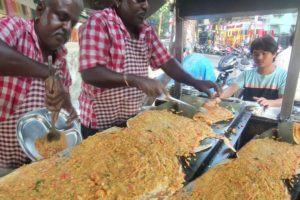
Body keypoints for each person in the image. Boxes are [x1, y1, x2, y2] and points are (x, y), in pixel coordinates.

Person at [79, 0, 220, 138]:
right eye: (139, 0)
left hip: (130, 119)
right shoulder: (99, 22)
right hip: (99, 123)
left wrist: (195, 82)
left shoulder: (146, 30)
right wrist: (134, 80)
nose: (146, 5)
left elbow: (166, 61)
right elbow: (90, 72)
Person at [0, 0, 83, 175]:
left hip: (41, 167)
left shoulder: (61, 59)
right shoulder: (16, 29)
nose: (67, 27)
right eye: (61, 17)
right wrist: (47, 73)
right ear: (40, 10)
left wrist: (67, 105)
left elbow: (63, 102)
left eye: (73, 23)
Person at [220, 35, 287, 108]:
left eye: (264, 53)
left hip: (270, 117)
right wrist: (218, 97)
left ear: (274, 54)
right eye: (256, 53)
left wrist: (271, 102)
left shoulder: (283, 75)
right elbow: (231, 89)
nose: (259, 57)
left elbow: (284, 100)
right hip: (247, 116)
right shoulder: (247, 74)